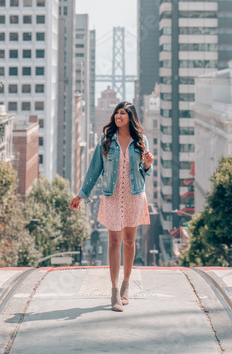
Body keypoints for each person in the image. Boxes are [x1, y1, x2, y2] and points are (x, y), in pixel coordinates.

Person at [70, 101, 154, 312]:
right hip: (112, 196)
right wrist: (81, 195)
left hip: (135, 196)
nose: (118, 116)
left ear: (130, 117)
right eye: (116, 112)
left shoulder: (140, 140)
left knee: (129, 240)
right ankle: (115, 290)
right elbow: (94, 169)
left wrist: (147, 164)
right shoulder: (106, 141)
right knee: (114, 240)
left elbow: (144, 172)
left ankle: (127, 284)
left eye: (123, 113)